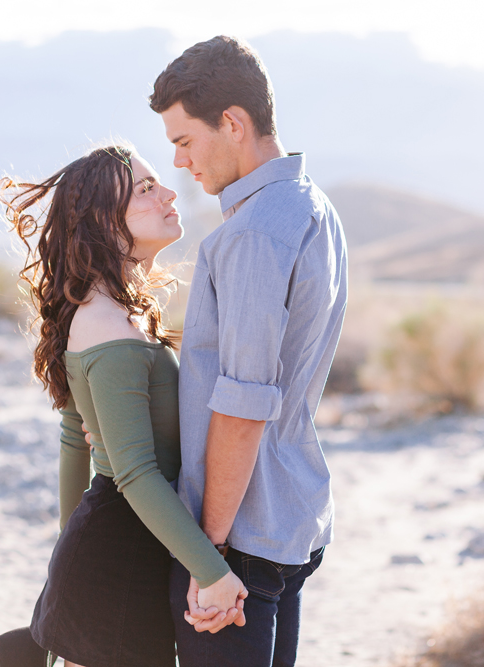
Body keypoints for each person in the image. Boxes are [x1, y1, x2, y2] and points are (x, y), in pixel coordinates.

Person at [0, 144, 248, 667]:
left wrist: (68, 557)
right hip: (120, 561)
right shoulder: (108, 326)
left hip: (111, 555)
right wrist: (213, 573)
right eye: (146, 190)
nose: (170, 193)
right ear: (104, 224)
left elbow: (73, 438)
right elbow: (133, 473)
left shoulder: (111, 313)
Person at [148, 36, 349, 665]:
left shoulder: (254, 233)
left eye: (184, 141)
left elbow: (242, 405)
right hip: (288, 516)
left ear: (232, 123)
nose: (179, 163)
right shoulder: (311, 206)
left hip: (239, 534)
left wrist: (206, 556)